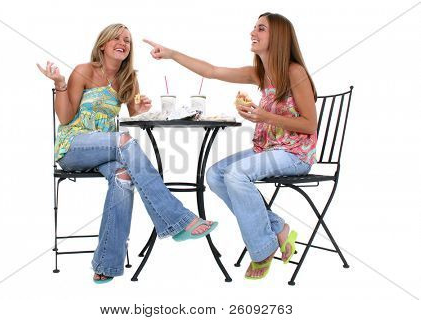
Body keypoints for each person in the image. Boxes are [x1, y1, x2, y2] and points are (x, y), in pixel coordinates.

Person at [37, 23, 218, 284]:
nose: (124, 43)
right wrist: (61, 84)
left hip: (108, 150)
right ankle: (177, 219)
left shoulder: (129, 77)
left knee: (123, 177)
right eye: (117, 38)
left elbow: (135, 117)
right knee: (123, 140)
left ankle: (106, 264)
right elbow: (65, 118)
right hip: (74, 147)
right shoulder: (83, 71)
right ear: (103, 44)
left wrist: (140, 106)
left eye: (128, 40)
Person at [144, 13, 317, 279]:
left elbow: (309, 125)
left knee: (236, 175)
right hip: (269, 151)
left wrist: (265, 116)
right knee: (215, 174)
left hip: (295, 154)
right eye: (254, 27)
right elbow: (211, 71)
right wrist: (172, 54)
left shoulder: (295, 72)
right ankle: (278, 228)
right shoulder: (261, 74)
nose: (253, 32)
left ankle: (262, 249)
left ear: (279, 37)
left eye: (261, 29)